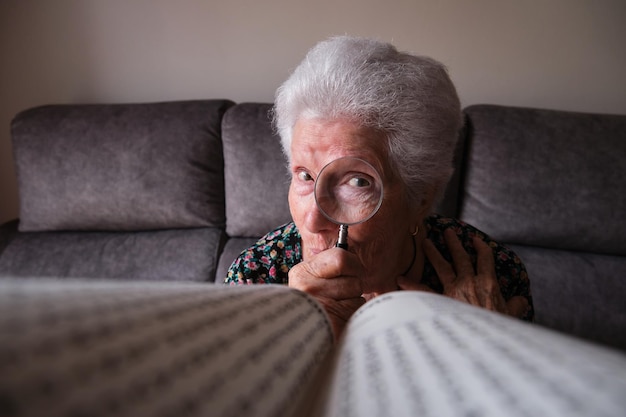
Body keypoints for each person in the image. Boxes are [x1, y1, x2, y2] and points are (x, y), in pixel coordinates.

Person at [225, 36, 533, 338]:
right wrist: (300, 334)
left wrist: (483, 341)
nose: (312, 221)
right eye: (305, 176)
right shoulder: (256, 277)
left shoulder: (490, 277)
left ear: (421, 198)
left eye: (357, 182)